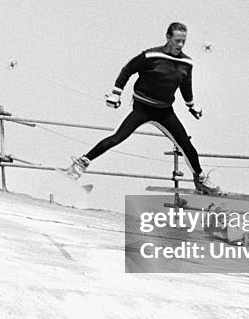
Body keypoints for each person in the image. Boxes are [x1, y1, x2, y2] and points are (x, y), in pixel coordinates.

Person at [65, 22, 221, 194]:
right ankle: (79, 165)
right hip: (142, 108)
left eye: (183, 41)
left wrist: (191, 106)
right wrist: (116, 93)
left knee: (186, 145)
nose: (180, 45)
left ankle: (200, 181)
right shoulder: (151, 55)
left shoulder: (186, 62)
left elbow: (186, 85)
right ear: (168, 37)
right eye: (177, 41)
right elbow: (128, 70)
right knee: (117, 138)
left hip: (164, 112)